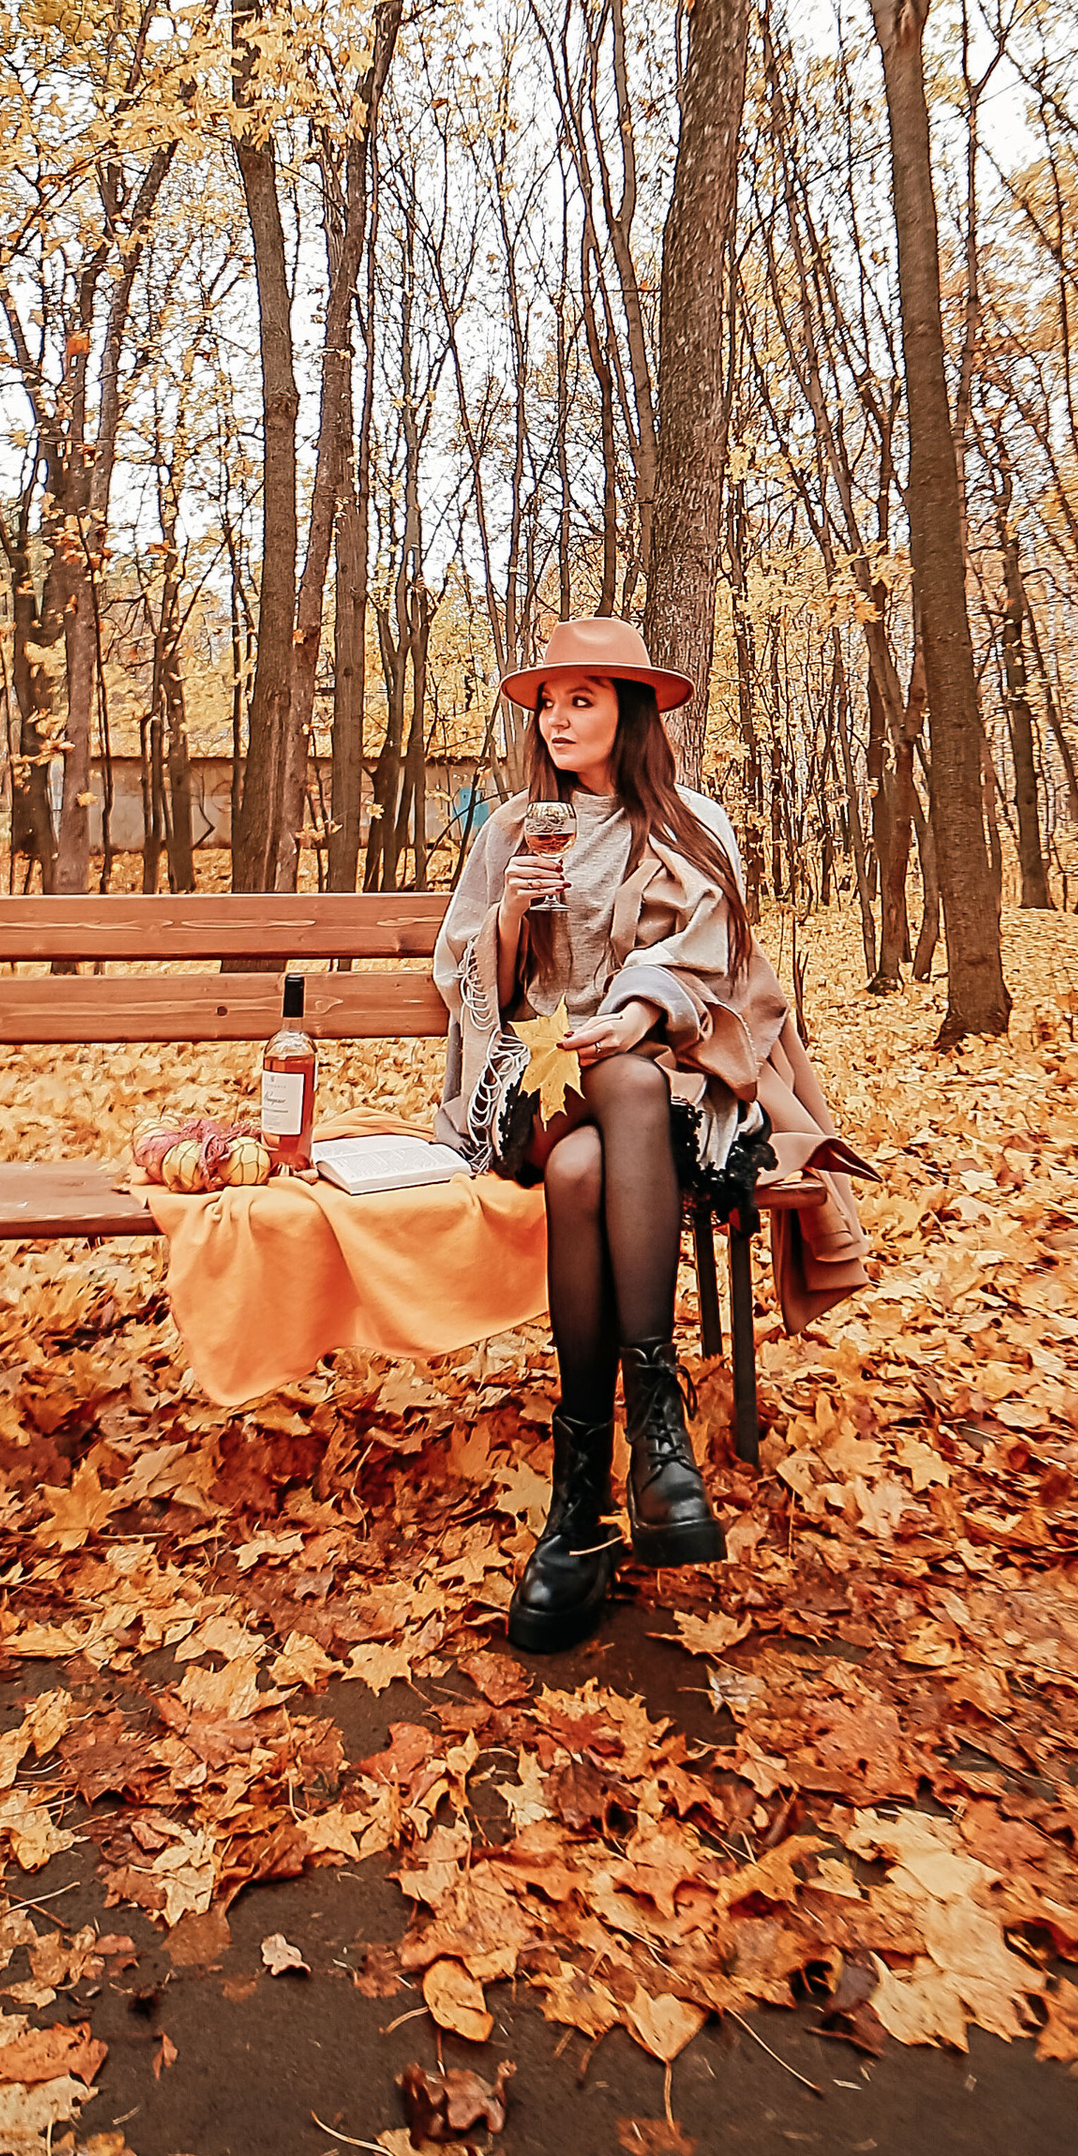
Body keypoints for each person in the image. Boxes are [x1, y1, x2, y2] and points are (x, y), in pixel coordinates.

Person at [430, 615, 867, 1656]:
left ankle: (578, 1504)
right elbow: (472, 990)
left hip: (660, 1088)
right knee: (581, 1116)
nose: (559, 716)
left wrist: (635, 1010)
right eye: (549, 700)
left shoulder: (686, 821)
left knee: (604, 1124)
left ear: (630, 711)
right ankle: (657, 1434)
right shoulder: (509, 832)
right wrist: (508, 918)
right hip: (537, 1080)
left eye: (584, 697)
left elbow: (712, 959)